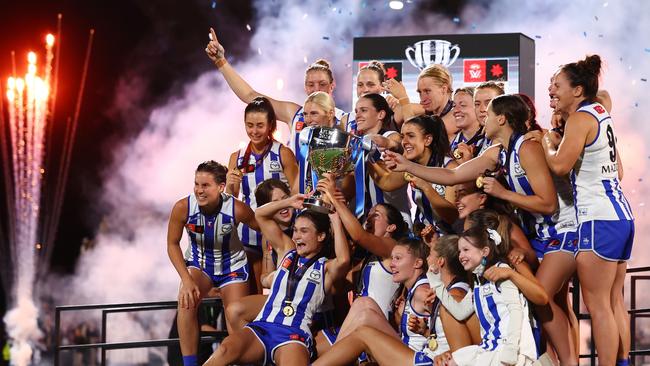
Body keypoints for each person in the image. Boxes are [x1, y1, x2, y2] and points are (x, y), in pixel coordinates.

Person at [385, 95, 581, 365]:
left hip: (563, 231)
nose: (482, 119)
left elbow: (547, 204)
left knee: (541, 296)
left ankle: (568, 362)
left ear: (501, 119)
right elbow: (454, 175)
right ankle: (558, 360)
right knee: (555, 304)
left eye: (487, 114)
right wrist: (408, 166)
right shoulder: (498, 151)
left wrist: (503, 193)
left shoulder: (527, 147)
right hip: (541, 235)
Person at [540, 55, 634, 366]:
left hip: (598, 219)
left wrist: (547, 143)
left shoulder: (580, 119)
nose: (551, 90)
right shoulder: (599, 110)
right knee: (613, 301)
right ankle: (622, 362)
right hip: (620, 216)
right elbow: (617, 171)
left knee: (598, 306)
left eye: (557, 85)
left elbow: (559, 165)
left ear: (578, 90)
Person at [203, 187, 351, 366]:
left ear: (320, 236)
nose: (297, 236)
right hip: (263, 326)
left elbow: (343, 260)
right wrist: (289, 202)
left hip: (293, 334)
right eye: (295, 230)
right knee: (225, 349)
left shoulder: (326, 267)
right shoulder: (287, 251)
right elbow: (260, 215)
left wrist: (334, 216)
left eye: (304, 231)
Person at [313, 235, 478, 366]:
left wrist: (446, 354)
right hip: (422, 354)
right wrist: (426, 332)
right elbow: (446, 336)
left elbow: (464, 349)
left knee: (363, 331)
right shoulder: (447, 292)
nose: (427, 259)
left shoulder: (446, 296)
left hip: (424, 359)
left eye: (430, 255)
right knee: (364, 305)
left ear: (440, 262)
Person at [166, 161, 258, 366]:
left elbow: (263, 228)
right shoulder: (183, 208)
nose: (199, 190)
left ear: (221, 187)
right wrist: (186, 279)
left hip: (233, 266)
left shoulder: (236, 209)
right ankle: (190, 364)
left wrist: (270, 257)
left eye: (205, 185)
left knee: (236, 316)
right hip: (200, 265)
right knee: (186, 301)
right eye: (196, 184)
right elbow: (172, 245)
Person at [205, 28, 349, 153]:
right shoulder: (294, 114)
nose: (316, 89)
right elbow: (250, 95)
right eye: (311, 84)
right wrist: (220, 61)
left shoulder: (344, 119)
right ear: (305, 87)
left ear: (332, 85)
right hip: (298, 185)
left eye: (322, 84)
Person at [430, 225, 537, 366]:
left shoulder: (502, 271)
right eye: (459, 251)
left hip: (509, 351)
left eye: (466, 250)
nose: (461, 256)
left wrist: (511, 349)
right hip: (489, 348)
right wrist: (436, 282)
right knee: (449, 362)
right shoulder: (478, 281)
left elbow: (516, 311)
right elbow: (460, 312)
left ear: (484, 251)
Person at [226, 97, 298, 294]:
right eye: (249, 125)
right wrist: (230, 187)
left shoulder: (283, 153)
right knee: (253, 290)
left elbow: (296, 192)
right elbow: (230, 201)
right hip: (249, 234)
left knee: (280, 290)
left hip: (280, 231)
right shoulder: (237, 157)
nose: (254, 131)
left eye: (259, 125)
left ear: (271, 125)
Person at [223, 178, 295, 331]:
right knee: (233, 310)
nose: (283, 206)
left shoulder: (303, 226)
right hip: (280, 296)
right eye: (275, 202)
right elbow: (264, 277)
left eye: (285, 199)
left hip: (302, 297)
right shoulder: (267, 238)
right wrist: (275, 278)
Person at [374, 115, 458, 234]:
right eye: (403, 136)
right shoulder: (411, 165)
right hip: (422, 238)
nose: (404, 142)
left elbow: (452, 217)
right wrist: (367, 156)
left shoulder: (449, 167)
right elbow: (386, 183)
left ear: (427, 139)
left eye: (411, 136)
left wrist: (426, 187)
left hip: (449, 241)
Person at [354, 93, 411, 224]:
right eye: (356, 111)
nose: (357, 115)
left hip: (394, 219)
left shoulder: (391, 135)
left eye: (364, 110)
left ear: (381, 114)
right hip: (367, 218)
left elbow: (399, 146)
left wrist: (390, 144)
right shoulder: (357, 144)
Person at [450, 87, 483, 163]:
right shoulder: (449, 143)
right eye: (454, 106)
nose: (456, 110)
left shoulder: (490, 141)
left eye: (463, 105)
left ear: (477, 107)